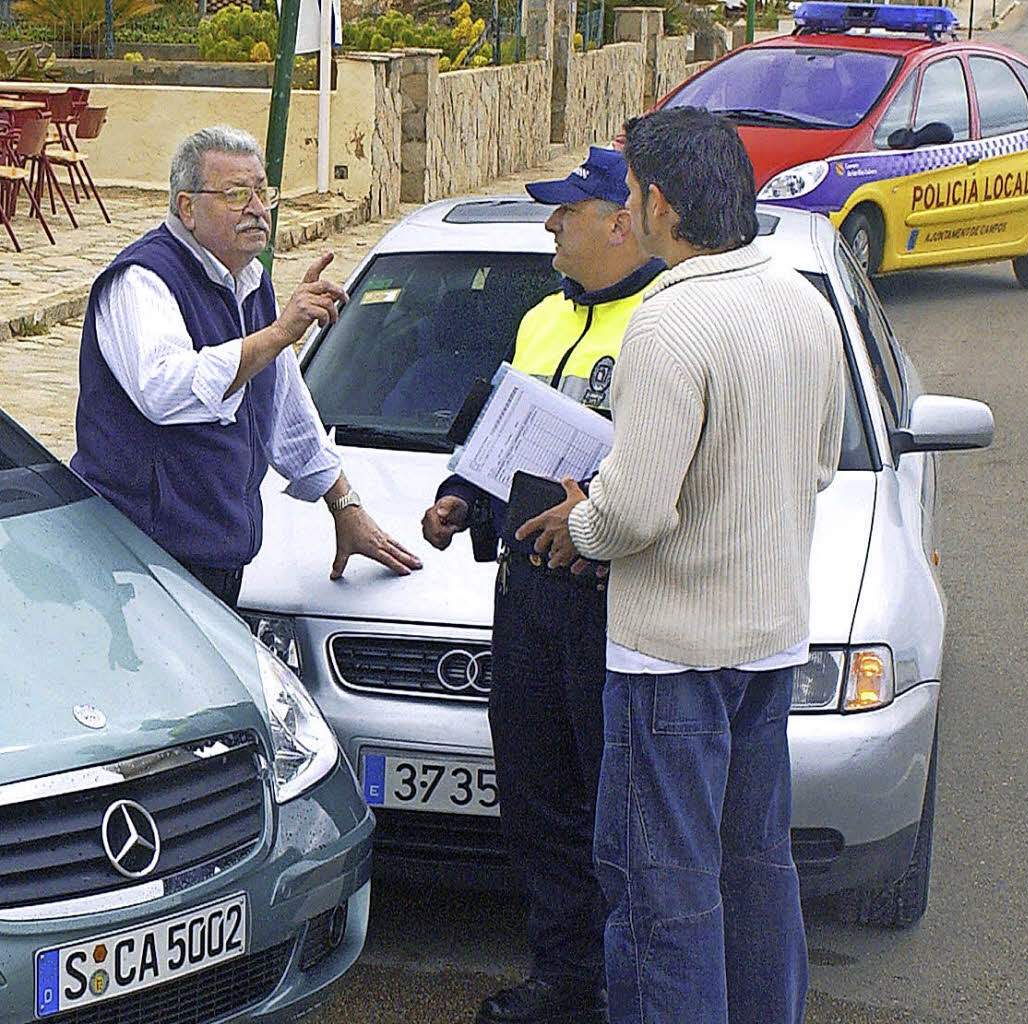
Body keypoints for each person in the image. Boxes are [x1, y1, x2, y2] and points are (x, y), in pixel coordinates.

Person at [517, 108, 846, 1024]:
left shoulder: (670, 318)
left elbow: (634, 509)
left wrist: (579, 525)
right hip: (770, 642)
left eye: (629, 191)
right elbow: (819, 464)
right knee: (754, 873)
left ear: (658, 203)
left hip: (672, 661)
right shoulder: (800, 301)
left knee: (660, 890)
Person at [421, 146, 663, 1024]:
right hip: (526, 597)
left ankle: (624, 985)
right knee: (537, 797)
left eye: (567, 211)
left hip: (609, 600)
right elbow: (499, 434)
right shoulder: (539, 319)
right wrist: (457, 497)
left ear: (620, 220)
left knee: (614, 808)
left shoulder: (663, 322)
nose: (551, 226)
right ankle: (562, 978)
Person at [71, 125, 420, 607]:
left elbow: (285, 408)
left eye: (262, 191)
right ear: (187, 208)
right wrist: (278, 334)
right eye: (236, 194)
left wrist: (345, 506)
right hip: (139, 562)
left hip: (216, 556)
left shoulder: (250, 281)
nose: (257, 208)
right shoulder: (142, 280)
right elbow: (164, 391)